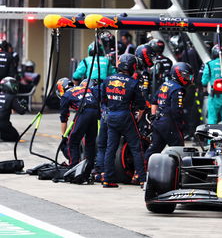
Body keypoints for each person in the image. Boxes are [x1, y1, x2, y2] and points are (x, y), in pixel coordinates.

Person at [101, 53, 145, 188]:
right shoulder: (133, 83)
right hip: (126, 116)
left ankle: (107, 179)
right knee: (136, 148)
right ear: (132, 66)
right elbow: (141, 105)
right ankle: (142, 179)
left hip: (111, 116)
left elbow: (103, 100)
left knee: (111, 148)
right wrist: (138, 117)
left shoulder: (107, 80)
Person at [144, 62, 194, 161]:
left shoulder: (165, 84)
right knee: (179, 149)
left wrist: (153, 116)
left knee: (154, 149)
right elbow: (176, 111)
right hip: (169, 122)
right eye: (186, 76)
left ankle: (140, 171)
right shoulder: (178, 89)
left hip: (158, 121)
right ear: (179, 75)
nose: (188, 79)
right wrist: (181, 124)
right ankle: (180, 173)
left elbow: (154, 101)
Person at [57, 77, 99, 171]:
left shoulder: (66, 95)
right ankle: (89, 169)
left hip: (84, 112)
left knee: (73, 141)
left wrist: (64, 136)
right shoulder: (83, 88)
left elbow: (64, 119)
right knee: (90, 142)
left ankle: (74, 168)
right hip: (96, 111)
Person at [0, 77, 27, 141]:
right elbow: (21, 111)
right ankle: (1, 135)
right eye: (14, 85)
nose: (15, 87)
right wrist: (23, 104)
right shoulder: (11, 97)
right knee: (15, 136)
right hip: (3, 123)